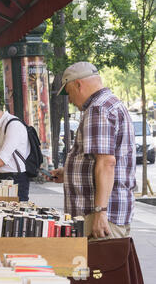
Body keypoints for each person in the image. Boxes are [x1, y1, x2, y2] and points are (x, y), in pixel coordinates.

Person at [48, 61, 136, 241]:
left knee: (98, 268)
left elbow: (106, 163)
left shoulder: (98, 108)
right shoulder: (110, 104)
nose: (70, 100)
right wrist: (70, 173)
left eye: (69, 93)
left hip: (99, 215)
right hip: (107, 213)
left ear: (78, 84)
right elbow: (102, 160)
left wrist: (100, 212)